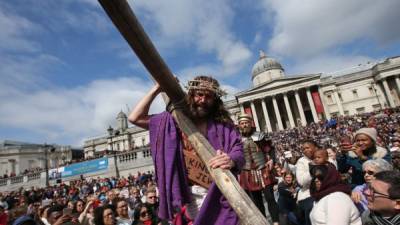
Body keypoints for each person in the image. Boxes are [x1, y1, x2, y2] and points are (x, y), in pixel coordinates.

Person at [128, 76, 244, 224]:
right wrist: (158, 88)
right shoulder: (172, 122)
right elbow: (135, 118)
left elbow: (238, 149)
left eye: (208, 96)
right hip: (194, 196)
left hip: (224, 192)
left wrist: (231, 159)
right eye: (199, 94)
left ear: (215, 100)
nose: (202, 100)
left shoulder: (223, 125)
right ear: (192, 95)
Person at [236, 113, 279, 225]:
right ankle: (263, 222)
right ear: (239, 125)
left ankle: (275, 222)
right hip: (247, 172)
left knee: (270, 198)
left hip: (263, 169)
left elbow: (270, 149)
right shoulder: (236, 139)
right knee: (257, 201)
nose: (245, 125)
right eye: (242, 123)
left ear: (251, 123)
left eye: (246, 122)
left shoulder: (260, 135)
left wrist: (272, 160)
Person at [295, 140, 318, 225]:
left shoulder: (323, 155)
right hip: (308, 194)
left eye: (307, 148)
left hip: (325, 189)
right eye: (303, 149)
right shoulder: (301, 161)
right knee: (311, 208)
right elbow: (301, 181)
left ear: (315, 147)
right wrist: (312, 169)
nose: (305, 150)